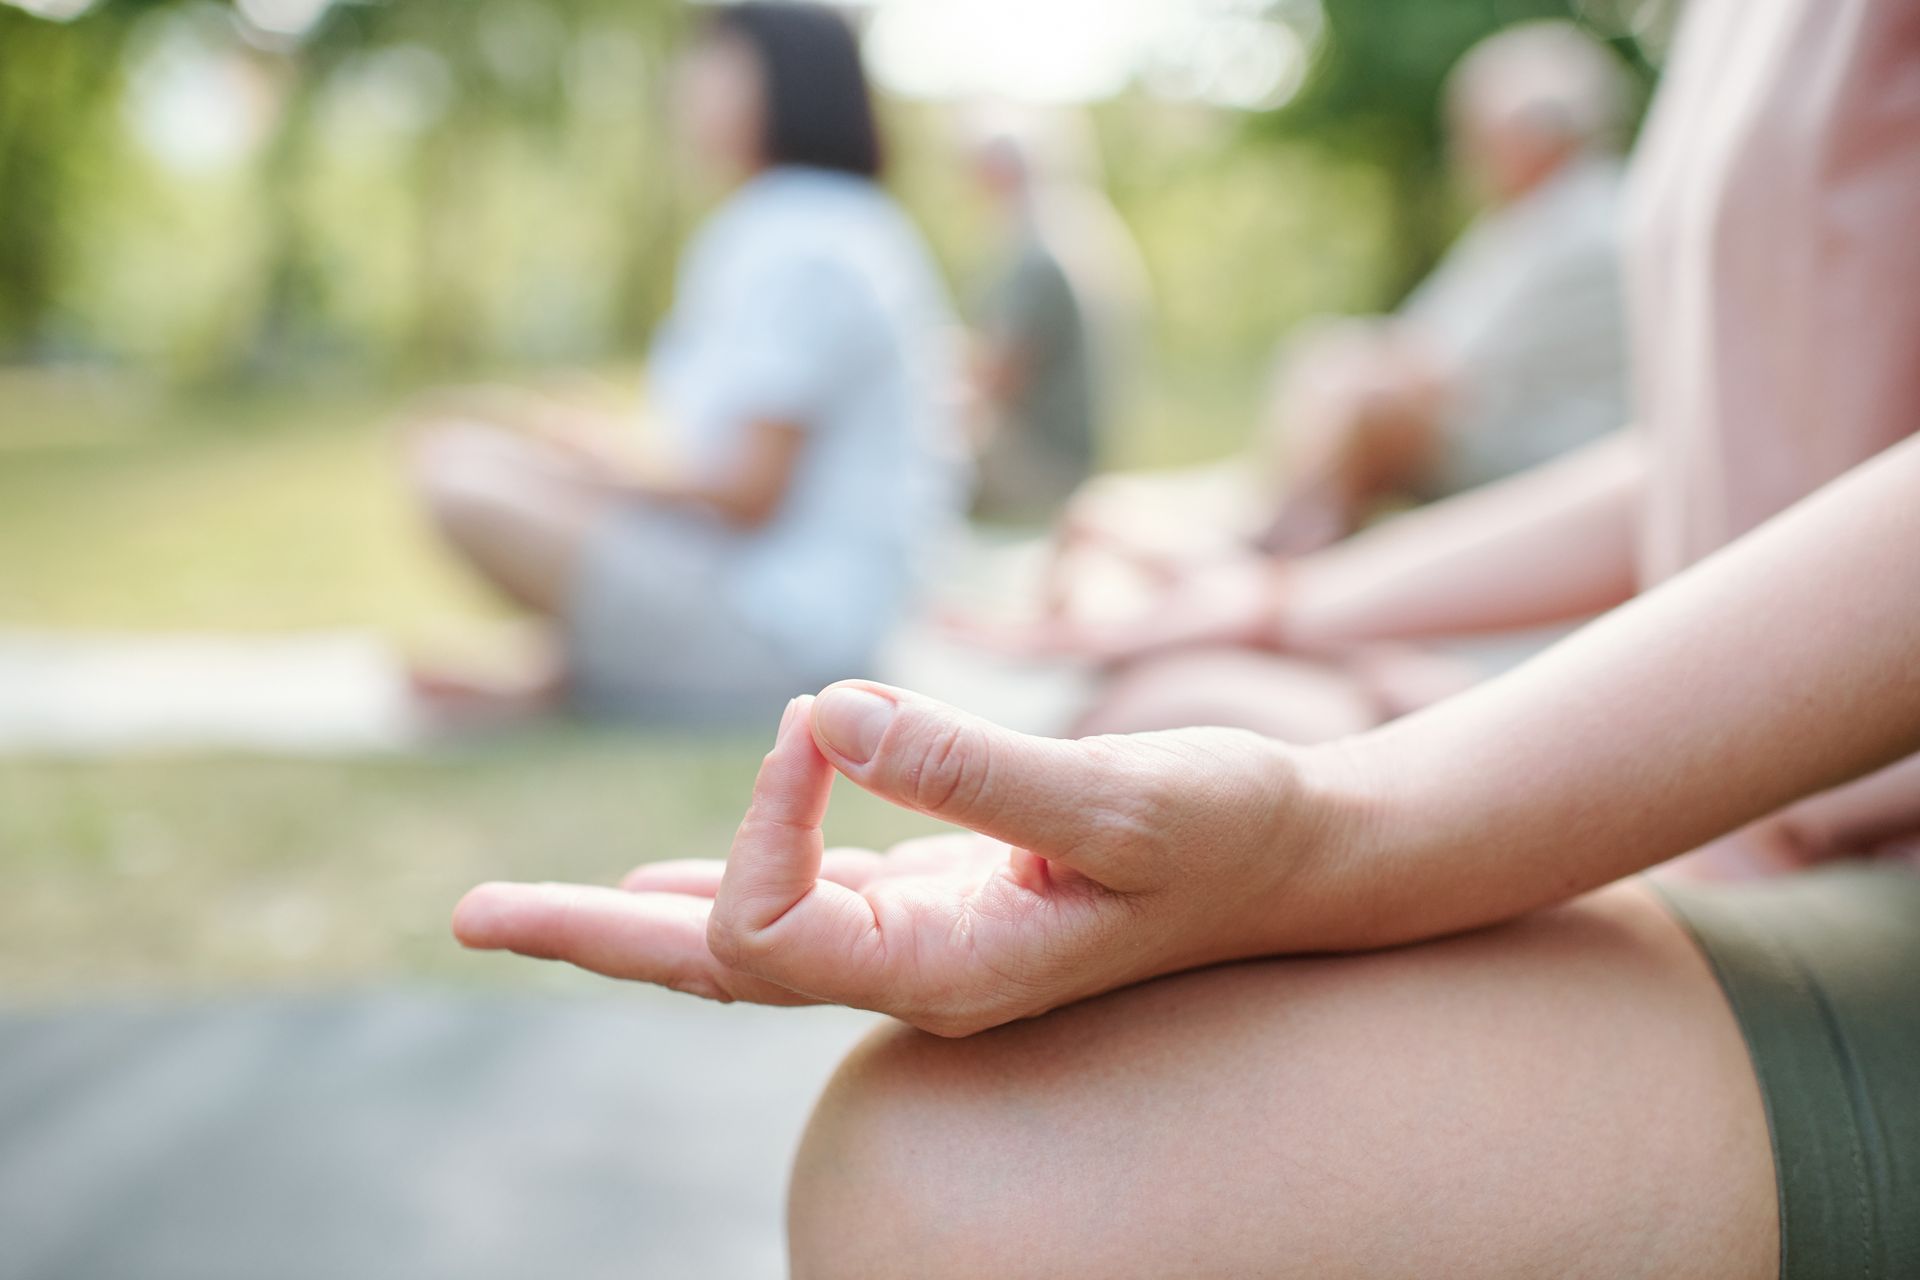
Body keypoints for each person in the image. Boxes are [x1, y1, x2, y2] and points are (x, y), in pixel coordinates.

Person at [451, 0, 1920, 1274]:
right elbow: (1736, 447)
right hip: (1787, 777)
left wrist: (1344, 828)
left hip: (1869, 836)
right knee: (1182, 689)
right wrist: (1276, 597)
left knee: (955, 1193)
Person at [406, 2, 963, 727]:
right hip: (808, 606)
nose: (685, 86)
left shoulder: (802, 238)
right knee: (474, 450)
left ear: (782, 83)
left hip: (793, 636)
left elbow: (749, 493)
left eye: (715, 66)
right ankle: (572, 668)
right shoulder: (827, 220)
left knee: (457, 472)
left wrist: (605, 464)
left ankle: (592, 675)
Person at [1056, 18, 1632, 576]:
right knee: (1335, 359)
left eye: (1479, 135)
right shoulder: (1525, 222)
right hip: (1500, 425)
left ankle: (1280, 551)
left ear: (1535, 134)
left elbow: (1446, 365)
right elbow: (1430, 340)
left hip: (1545, 456)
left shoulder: (1584, 223)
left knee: (1360, 392)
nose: (1469, 155)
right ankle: (1282, 536)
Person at [964, 114, 1149, 524]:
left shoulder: (1037, 253)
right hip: (1082, 458)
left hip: (1045, 467)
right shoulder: (1083, 228)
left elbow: (999, 379)